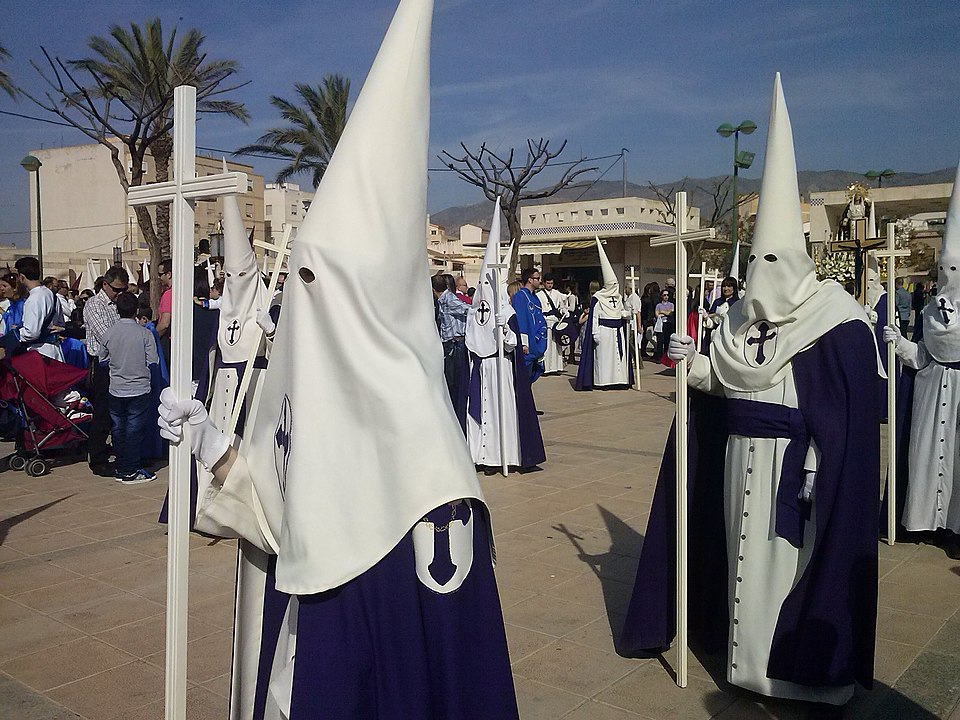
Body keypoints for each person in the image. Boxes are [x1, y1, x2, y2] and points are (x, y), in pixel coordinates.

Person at [157, 1, 519, 714]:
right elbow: (279, 513)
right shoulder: (312, 396)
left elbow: (454, 671)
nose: (304, 305)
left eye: (321, 284)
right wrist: (214, 444)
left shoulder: (435, 480)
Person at [622, 74, 880, 705]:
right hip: (738, 460)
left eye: (774, 263)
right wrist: (689, 363)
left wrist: (821, 462)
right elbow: (720, 378)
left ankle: (800, 675)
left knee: (788, 569)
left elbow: (847, 412)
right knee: (740, 563)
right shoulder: (738, 316)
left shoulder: (836, 320)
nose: (762, 278)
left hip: (795, 471)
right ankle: (745, 666)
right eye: (756, 262)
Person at [884, 159, 960, 559]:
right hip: (931, 394)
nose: (947, 273)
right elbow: (924, 356)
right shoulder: (930, 309)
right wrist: (899, 343)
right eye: (943, 266)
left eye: (954, 267)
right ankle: (922, 520)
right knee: (927, 456)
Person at [465, 207, 545, 471]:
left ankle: (502, 456)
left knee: (501, 411)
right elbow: (471, 341)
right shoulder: (476, 309)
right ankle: (481, 456)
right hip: (482, 368)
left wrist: (506, 330)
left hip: (501, 369)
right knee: (481, 412)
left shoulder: (507, 309)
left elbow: (511, 345)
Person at [99, 291, 158, 484]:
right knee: (134, 430)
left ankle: (121, 465)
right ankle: (130, 470)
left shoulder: (109, 333)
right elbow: (153, 361)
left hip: (116, 388)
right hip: (139, 388)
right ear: (137, 310)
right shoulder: (145, 334)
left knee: (118, 429)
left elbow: (103, 359)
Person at [83, 265, 130, 474]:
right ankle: (98, 458)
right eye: (116, 289)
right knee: (103, 411)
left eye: (123, 290)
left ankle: (120, 451)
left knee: (120, 412)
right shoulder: (94, 305)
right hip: (103, 364)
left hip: (121, 363)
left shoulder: (118, 304)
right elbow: (106, 336)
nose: (119, 294)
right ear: (105, 284)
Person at [575, 239, 632, 390]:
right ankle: (603, 381)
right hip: (604, 331)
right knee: (605, 358)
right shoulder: (598, 298)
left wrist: (627, 314)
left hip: (617, 331)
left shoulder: (619, 297)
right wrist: (595, 333)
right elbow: (594, 317)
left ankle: (618, 380)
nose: (615, 287)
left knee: (618, 358)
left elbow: (620, 311)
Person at [433, 273, 471, 430]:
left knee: (453, 383)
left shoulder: (449, 300)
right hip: (450, 344)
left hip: (454, 345)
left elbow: (469, 310)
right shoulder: (443, 300)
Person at [511, 267, 546, 381]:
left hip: (536, 343)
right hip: (528, 346)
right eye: (537, 278)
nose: (539, 281)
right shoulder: (521, 296)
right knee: (523, 380)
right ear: (530, 280)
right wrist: (524, 343)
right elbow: (521, 320)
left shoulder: (534, 297)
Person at [535, 272, 566, 375]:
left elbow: (562, 306)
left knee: (556, 345)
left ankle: (556, 367)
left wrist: (563, 312)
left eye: (551, 283)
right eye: (548, 283)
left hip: (555, 321)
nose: (550, 285)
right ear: (543, 283)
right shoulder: (538, 295)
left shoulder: (557, 293)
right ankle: (546, 368)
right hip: (545, 321)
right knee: (546, 345)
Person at [155, 258, 173, 362]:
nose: (158, 277)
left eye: (160, 274)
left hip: (167, 343)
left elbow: (165, 323)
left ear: (169, 274)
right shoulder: (177, 292)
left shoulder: (168, 294)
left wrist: (152, 337)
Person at [0, 272, 26, 336]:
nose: (1, 289)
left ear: (15, 288)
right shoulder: (12, 304)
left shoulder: (21, 304)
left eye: (5, 286)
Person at [653, 289, 674, 363]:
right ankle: (659, 357)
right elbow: (657, 314)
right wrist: (665, 313)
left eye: (667, 295)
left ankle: (666, 358)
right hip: (660, 324)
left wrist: (662, 312)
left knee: (667, 341)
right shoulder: (658, 305)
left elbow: (670, 313)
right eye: (664, 295)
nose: (666, 296)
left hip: (668, 324)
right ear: (661, 296)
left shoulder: (671, 304)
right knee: (660, 341)